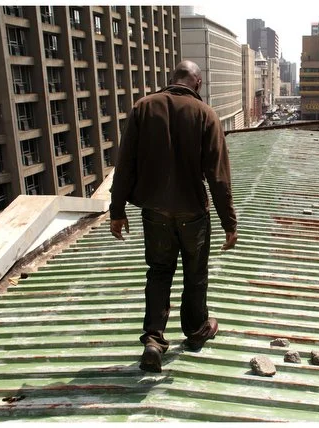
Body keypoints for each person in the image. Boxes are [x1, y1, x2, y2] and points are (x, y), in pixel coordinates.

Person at [110, 60, 239, 373]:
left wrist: (117, 211)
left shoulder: (143, 108)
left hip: (155, 212)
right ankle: (195, 330)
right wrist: (229, 223)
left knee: (158, 272)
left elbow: (125, 164)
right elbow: (218, 175)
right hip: (193, 213)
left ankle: (154, 338)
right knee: (195, 274)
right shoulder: (206, 114)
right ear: (197, 83)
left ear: (172, 80)